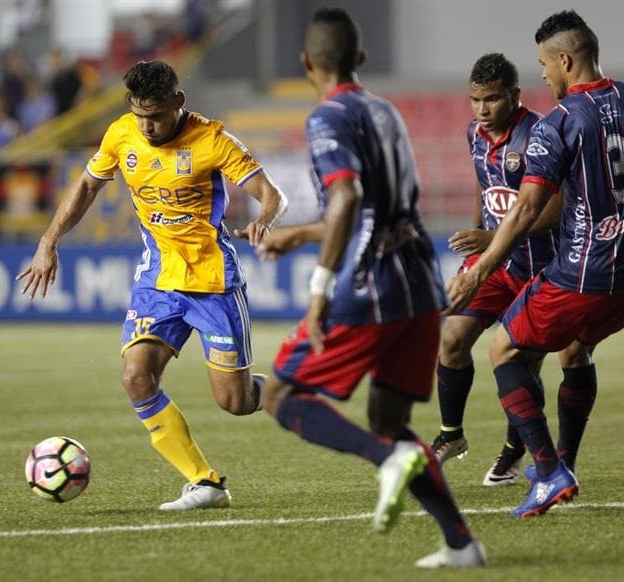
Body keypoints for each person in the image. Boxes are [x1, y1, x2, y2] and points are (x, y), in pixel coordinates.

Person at [445, 10, 624, 518]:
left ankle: (549, 473)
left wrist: (480, 270)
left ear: (564, 60)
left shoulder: (556, 125)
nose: (543, 75)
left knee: (504, 349)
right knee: (576, 353)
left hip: (582, 274)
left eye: (544, 65)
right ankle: (564, 463)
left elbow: (526, 210)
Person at [254, 7, 485, 569]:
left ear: (306, 62)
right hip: (419, 285)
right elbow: (377, 208)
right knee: (388, 417)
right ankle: (461, 544)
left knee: (279, 395)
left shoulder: (325, 118)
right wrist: (300, 234)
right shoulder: (386, 111)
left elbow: (348, 197)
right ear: (359, 57)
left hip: (370, 285)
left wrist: (318, 290)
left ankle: (385, 460)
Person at [17, 59, 288, 510]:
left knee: (235, 402)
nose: (147, 126)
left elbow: (272, 194)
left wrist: (265, 220)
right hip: (158, 279)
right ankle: (204, 482)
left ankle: (294, 388)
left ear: (178, 101)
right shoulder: (121, 134)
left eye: (157, 116)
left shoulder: (212, 140)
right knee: (136, 375)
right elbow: (86, 187)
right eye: (140, 114)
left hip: (212, 281)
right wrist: (49, 241)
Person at [429, 53, 562, 488]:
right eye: (476, 100)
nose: (482, 109)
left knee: (521, 362)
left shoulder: (539, 134)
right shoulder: (475, 133)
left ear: (515, 95)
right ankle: (451, 434)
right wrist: (476, 241)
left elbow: (555, 208)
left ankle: (512, 450)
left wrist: (492, 238)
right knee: (451, 336)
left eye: (492, 99)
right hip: (494, 264)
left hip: (539, 268)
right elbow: (484, 183)